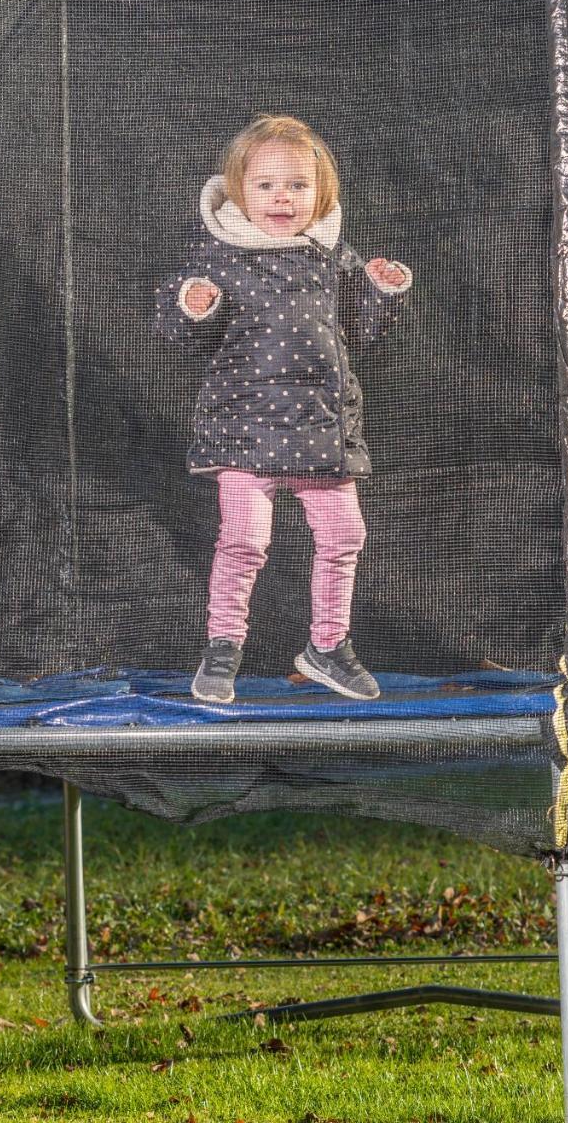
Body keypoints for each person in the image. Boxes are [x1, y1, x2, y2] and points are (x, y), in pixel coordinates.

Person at [156, 115, 412, 703]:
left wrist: (381, 291)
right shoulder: (218, 255)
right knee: (245, 540)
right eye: (266, 185)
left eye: (297, 186)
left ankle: (328, 647)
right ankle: (222, 649)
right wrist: (193, 304)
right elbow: (178, 330)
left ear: (320, 193)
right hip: (245, 429)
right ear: (237, 190)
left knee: (345, 533)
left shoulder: (331, 256)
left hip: (322, 427)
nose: (282, 198)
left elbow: (357, 333)